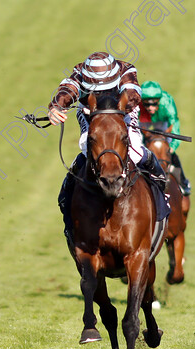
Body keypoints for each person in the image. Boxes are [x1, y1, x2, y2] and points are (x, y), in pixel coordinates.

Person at [46, 51, 167, 242]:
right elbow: (66, 90)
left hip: (122, 110)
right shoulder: (80, 73)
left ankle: (158, 179)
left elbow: (133, 95)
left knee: (134, 149)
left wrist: (113, 112)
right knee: (88, 147)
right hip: (90, 113)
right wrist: (56, 108)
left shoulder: (126, 70)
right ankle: (69, 189)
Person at [139, 81, 191, 195]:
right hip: (143, 123)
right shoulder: (137, 103)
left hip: (163, 124)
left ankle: (183, 182)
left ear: (159, 101)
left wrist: (172, 146)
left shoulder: (167, 102)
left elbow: (174, 123)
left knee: (167, 151)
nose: (150, 108)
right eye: (146, 104)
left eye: (154, 104)